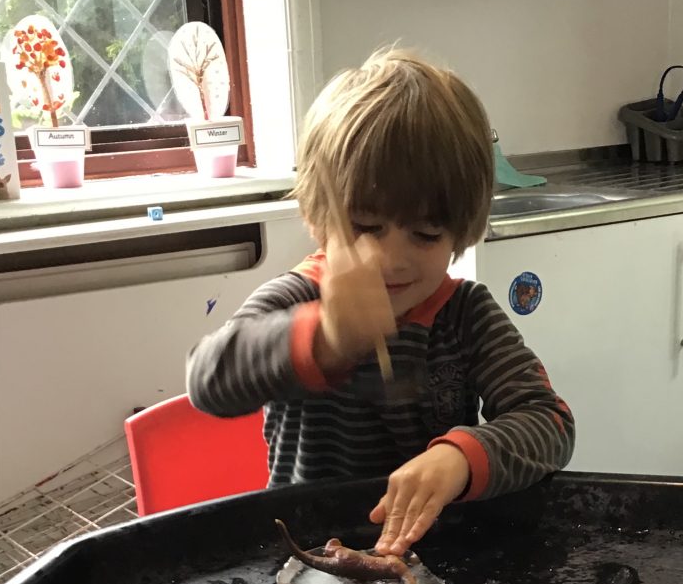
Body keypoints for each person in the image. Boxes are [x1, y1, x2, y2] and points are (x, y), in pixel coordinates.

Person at [186, 47, 574, 557]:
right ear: (317, 216)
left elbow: (550, 423)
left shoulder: (466, 315)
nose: (392, 260)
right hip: (312, 557)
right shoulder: (298, 297)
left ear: (460, 233)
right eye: (366, 227)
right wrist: (325, 339)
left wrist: (460, 458)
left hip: (435, 555)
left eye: (425, 234)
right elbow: (208, 380)